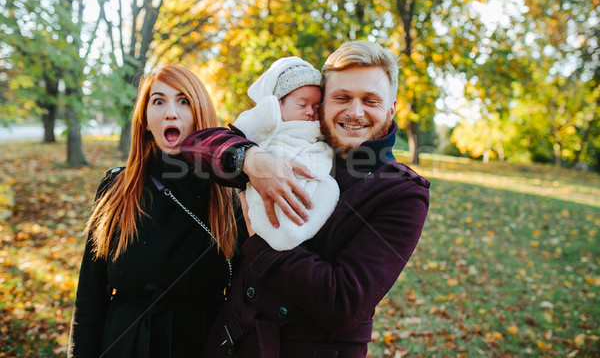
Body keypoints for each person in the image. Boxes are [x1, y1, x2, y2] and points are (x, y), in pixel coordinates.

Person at [181, 40, 430, 358]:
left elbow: (344, 303)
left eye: (370, 100)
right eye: (342, 97)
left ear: (391, 108)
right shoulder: (287, 141)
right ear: (323, 102)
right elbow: (195, 146)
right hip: (234, 339)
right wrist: (250, 159)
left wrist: (261, 245)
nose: (354, 112)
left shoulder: (403, 193)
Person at [68, 66, 244, 357]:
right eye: (158, 101)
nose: (170, 113)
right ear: (146, 120)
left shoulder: (229, 196)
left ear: (201, 114)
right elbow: (90, 297)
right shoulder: (116, 188)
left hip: (201, 343)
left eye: (183, 100)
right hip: (126, 343)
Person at [233, 56, 339, 251]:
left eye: (317, 107)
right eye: (302, 105)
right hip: (270, 183)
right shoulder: (267, 127)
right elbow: (237, 135)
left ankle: (297, 229)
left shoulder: (321, 131)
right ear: (278, 104)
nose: (310, 112)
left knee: (330, 189)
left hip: (308, 187)